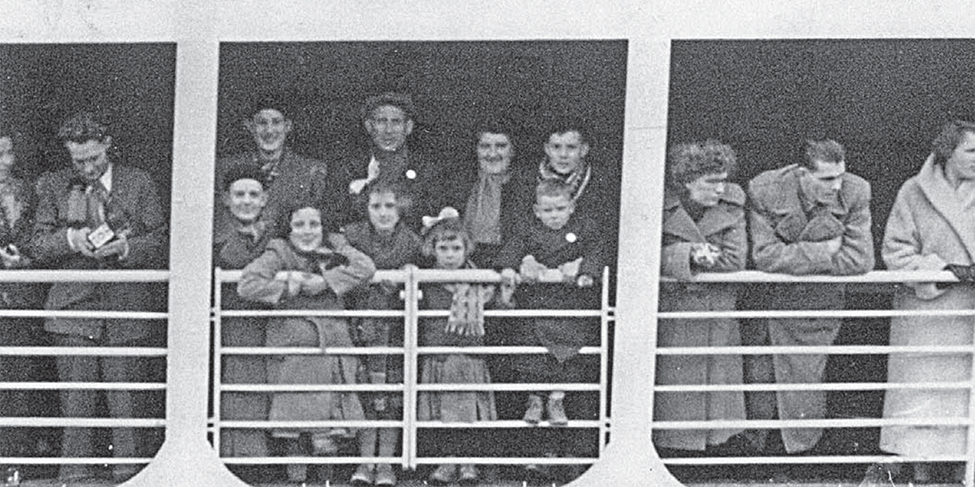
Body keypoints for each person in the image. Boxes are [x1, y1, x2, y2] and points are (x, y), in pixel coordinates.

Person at [31, 111, 168, 483]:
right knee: (76, 411)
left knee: (129, 413)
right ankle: (72, 481)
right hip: (73, 310)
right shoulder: (53, 185)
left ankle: (130, 479)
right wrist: (70, 240)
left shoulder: (139, 183)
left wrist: (125, 248)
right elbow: (38, 244)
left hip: (126, 310)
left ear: (108, 145)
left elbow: (159, 240)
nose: (88, 167)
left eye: (94, 158)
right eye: (79, 161)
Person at [744, 139, 874, 463]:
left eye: (841, 176)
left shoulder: (857, 191)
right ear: (803, 174)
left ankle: (804, 460)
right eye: (828, 179)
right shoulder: (766, 190)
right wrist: (824, 250)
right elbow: (764, 256)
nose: (837, 186)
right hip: (770, 304)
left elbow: (860, 260)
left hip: (818, 307)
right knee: (761, 381)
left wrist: (792, 258)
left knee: (809, 385)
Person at [237, 203, 375, 483]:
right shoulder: (280, 251)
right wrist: (290, 284)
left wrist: (327, 280)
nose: (307, 231)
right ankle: (296, 480)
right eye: (299, 225)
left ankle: (325, 481)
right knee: (295, 428)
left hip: (331, 348)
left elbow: (366, 267)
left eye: (315, 224)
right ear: (288, 229)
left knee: (329, 429)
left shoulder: (335, 253)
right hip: (295, 353)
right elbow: (247, 284)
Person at [876, 120, 975, 484]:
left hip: (970, 312)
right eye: (972, 151)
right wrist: (941, 270)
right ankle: (918, 467)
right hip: (926, 310)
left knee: (966, 397)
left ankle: (965, 468)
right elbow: (895, 250)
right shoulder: (913, 192)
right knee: (921, 394)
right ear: (948, 152)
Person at [497, 179, 608, 482]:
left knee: (568, 362)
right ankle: (535, 398)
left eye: (560, 208)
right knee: (533, 359)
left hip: (568, 309)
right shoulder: (528, 232)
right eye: (548, 209)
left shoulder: (584, 231)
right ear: (536, 210)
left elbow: (598, 251)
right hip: (536, 308)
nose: (555, 215)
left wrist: (586, 270)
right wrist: (514, 266)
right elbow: (512, 250)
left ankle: (557, 398)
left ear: (572, 207)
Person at [653, 140, 749, 456]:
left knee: (716, 394)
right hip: (675, 312)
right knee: (677, 394)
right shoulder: (658, 204)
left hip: (716, 313)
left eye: (723, 180)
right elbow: (644, 252)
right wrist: (688, 253)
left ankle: (714, 455)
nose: (720, 188)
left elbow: (735, 259)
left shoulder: (732, 207)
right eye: (711, 182)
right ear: (686, 181)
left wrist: (683, 259)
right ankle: (675, 455)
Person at [415, 209, 514, 485]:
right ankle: (446, 461)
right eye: (442, 248)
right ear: (432, 249)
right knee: (443, 413)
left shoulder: (480, 278)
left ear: (466, 249)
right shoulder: (425, 278)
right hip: (439, 354)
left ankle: (468, 461)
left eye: (456, 248)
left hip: (471, 354)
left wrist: (504, 293)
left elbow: (499, 305)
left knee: (469, 412)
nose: (449, 254)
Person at [343, 182, 422, 486]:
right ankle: (364, 462)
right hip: (361, 324)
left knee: (391, 396)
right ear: (365, 209)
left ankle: (386, 463)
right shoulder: (352, 236)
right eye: (376, 206)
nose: (383, 213)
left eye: (390, 206)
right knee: (364, 393)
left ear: (401, 209)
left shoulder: (413, 242)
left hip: (397, 327)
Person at [212, 165, 273, 480]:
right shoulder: (214, 237)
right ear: (226, 199)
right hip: (233, 324)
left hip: (271, 322)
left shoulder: (277, 235)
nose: (246, 201)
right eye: (239, 194)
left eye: (253, 194)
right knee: (237, 388)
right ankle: (244, 463)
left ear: (264, 200)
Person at [0, 127, 54, 482]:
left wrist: (25, 259)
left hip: (17, 301)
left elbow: (38, 240)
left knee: (17, 382)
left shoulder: (26, 192)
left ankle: (12, 464)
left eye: (7, 153)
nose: (4, 162)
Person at [215, 100, 339, 238]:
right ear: (250, 126)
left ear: (287, 126)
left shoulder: (312, 171)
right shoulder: (225, 168)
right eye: (262, 123)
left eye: (276, 122)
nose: (269, 131)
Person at [335, 92, 446, 229]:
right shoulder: (350, 168)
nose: (388, 130)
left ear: (408, 127)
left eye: (396, 122)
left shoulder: (426, 169)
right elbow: (338, 217)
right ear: (369, 126)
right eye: (381, 121)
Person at [455, 119, 534, 268]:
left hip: (510, 266)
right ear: (476, 150)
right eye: (485, 146)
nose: (492, 154)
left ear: (513, 150)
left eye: (501, 146)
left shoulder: (527, 188)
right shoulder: (458, 184)